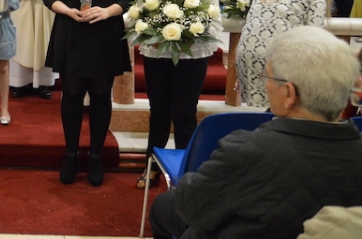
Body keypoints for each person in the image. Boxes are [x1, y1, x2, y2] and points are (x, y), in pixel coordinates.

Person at [149, 26, 362, 239]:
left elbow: (190, 206)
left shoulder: (247, 150)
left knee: (164, 206)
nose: (266, 84)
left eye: (267, 77)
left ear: (289, 93)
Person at [43, 0, 136, 187]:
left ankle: (95, 155)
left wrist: (107, 11)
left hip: (104, 34)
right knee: (71, 94)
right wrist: (67, 10)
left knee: (99, 94)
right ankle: (71, 154)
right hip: (71, 32)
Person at [137, 0, 219, 189]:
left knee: (184, 114)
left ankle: (185, 170)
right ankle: (152, 167)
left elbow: (211, 14)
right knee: (158, 112)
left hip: (191, 55)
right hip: (157, 53)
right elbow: (140, 13)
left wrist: (189, 30)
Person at [237, 0, 330, 107]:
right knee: (283, 109)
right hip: (280, 56)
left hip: (247, 52)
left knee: (256, 111)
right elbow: (315, 35)